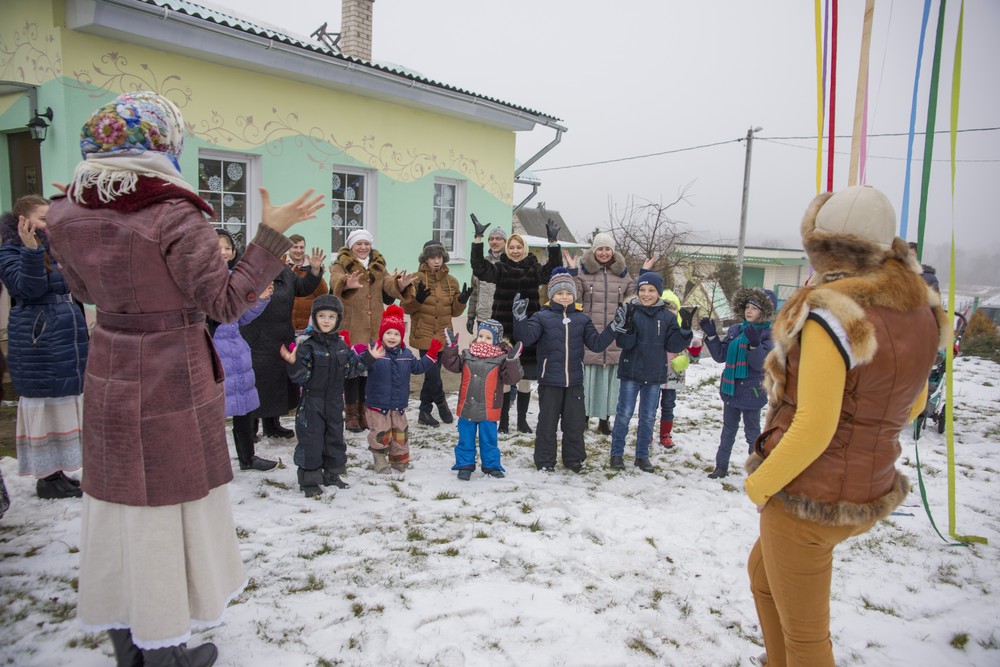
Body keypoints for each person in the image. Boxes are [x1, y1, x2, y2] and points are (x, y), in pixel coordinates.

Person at [45, 90, 324, 665]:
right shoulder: (173, 213)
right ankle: (165, 650)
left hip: (109, 367)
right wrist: (269, 237)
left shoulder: (64, 213)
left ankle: (129, 645)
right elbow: (224, 301)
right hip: (170, 372)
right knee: (163, 513)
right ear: (162, 145)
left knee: (119, 508)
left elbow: (81, 292)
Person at [744, 185, 943, 667]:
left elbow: (815, 424)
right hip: (867, 483)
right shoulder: (922, 310)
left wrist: (760, 484)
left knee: (808, 639)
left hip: (809, 494)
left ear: (820, 243)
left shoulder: (832, 312)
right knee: (763, 577)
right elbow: (914, 403)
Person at [0, 195, 89, 499]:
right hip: (39, 337)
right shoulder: (11, 250)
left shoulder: (56, 247)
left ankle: (59, 472)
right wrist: (30, 250)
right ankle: (47, 478)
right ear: (22, 221)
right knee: (46, 404)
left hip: (65, 332)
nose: (48, 223)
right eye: (41, 218)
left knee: (63, 404)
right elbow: (27, 288)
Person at [512, 268, 619, 472]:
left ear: (574, 296)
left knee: (574, 424)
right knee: (547, 424)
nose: (564, 297)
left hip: (575, 383)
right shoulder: (542, 317)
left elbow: (596, 344)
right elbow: (525, 338)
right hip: (550, 381)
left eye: (568, 293)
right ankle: (545, 461)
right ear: (552, 294)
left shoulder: (582, 319)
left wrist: (614, 327)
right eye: (560, 293)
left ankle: (574, 459)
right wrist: (519, 319)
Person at [281, 294, 381, 496]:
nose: (326, 320)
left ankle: (332, 474)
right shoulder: (307, 346)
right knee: (312, 441)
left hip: (335, 402)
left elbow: (352, 369)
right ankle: (309, 480)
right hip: (312, 403)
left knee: (334, 439)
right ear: (314, 318)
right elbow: (301, 377)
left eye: (331, 317)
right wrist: (293, 365)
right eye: (321, 316)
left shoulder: (342, 347)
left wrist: (369, 357)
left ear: (338, 320)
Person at [470, 214, 562, 434]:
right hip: (504, 332)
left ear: (524, 248)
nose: (515, 251)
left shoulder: (534, 269)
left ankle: (521, 420)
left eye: (518, 247)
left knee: (524, 379)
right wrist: (478, 238)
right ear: (507, 249)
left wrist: (553, 244)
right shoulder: (500, 269)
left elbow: (554, 269)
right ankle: (502, 421)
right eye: (511, 247)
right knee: (504, 377)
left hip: (529, 330)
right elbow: (479, 267)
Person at [329, 229, 416, 432]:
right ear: (351, 246)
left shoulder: (378, 264)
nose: (363, 247)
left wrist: (399, 285)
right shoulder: (341, 263)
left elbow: (387, 284)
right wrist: (345, 283)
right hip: (352, 325)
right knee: (352, 371)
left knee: (369, 371)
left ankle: (364, 411)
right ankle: (350, 414)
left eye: (366, 243)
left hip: (374, 326)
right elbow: (335, 280)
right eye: (358, 244)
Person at [564, 233, 648, 435]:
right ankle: (582, 418)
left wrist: (645, 273)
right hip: (589, 335)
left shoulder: (622, 275)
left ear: (613, 251)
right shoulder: (583, 273)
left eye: (607, 249)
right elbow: (573, 295)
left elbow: (636, 295)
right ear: (594, 250)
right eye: (600, 249)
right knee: (586, 381)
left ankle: (604, 420)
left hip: (613, 336)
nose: (603, 253)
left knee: (609, 384)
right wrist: (573, 271)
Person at [609, 272, 694, 472]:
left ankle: (642, 456)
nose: (646, 294)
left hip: (655, 375)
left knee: (648, 416)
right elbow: (623, 344)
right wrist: (627, 327)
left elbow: (673, 344)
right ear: (638, 291)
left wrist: (685, 330)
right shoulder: (630, 311)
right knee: (624, 414)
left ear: (659, 292)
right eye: (643, 290)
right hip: (631, 372)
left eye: (651, 290)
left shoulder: (667, 316)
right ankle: (616, 454)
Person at [240, 244, 325, 442]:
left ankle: (273, 425)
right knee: (257, 383)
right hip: (257, 337)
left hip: (281, 337)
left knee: (277, 383)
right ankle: (251, 428)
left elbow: (302, 288)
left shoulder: (285, 271)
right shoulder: (249, 274)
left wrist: (313, 271)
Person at [210, 229, 277, 471]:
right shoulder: (200, 281)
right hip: (212, 351)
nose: (224, 252)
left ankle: (248, 458)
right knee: (213, 410)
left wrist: (259, 300)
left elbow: (241, 318)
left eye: (227, 247)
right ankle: (213, 462)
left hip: (237, 349)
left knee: (243, 407)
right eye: (217, 247)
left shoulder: (234, 279)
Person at [699, 287, 775, 479]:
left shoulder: (768, 335)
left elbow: (760, 365)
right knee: (728, 431)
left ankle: (756, 473)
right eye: (748, 307)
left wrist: (755, 344)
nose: (749, 311)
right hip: (731, 389)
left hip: (752, 392)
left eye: (755, 308)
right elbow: (720, 356)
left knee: (753, 435)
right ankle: (721, 467)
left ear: (764, 312)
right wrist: (712, 335)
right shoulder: (736, 329)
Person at [361, 305, 441, 473]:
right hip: (377, 404)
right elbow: (359, 366)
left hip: (399, 404)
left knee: (400, 433)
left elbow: (418, 368)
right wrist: (366, 356)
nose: (392, 337)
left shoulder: (406, 354)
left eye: (396, 333)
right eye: (388, 333)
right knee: (380, 432)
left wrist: (431, 354)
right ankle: (380, 459)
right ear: (382, 334)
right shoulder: (375, 352)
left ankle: (399, 460)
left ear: (401, 336)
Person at [440, 319, 522, 480]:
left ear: (497, 340)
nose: (483, 340)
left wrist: (512, 361)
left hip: (488, 409)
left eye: (488, 337)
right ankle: (465, 465)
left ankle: (491, 466)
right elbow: (452, 365)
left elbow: (512, 378)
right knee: (465, 440)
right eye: (481, 336)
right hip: (467, 407)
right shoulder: (467, 354)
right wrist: (451, 349)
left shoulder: (502, 359)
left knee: (489, 440)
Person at [402, 239, 471, 427]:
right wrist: (417, 299)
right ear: (425, 259)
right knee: (433, 374)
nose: (436, 260)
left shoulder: (452, 282)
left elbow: (455, 312)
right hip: (424, 334)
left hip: (443, 334)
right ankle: (441, 404)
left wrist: (462, 301)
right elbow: (406, 309)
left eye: (439, 256)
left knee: (432, 375)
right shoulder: (415, 279)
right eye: (432, 257)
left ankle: (424, 411)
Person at [658, 289, 692, 448]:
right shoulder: (657, 326)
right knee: (650, 404)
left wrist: (686, 358)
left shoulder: (681, 328)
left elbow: (692, 351)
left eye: (673, 308)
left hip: (673, 374)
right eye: (666, 308)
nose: (670, 312)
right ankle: (646, 433)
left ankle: (665, 433)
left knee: (669, 403)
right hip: (655, 372)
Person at [465, 227, 507, 334]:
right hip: (483, 318)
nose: (494, 242)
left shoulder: (510, 263)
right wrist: (470, 317)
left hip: (504, 318)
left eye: (498, 238)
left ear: (505, 241)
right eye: (491, 239)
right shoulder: (482, 263)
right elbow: (474, 292)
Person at [285, 233, 329, 333]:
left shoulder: (312, 266)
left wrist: (316, 273)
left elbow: (323, 294)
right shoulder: (282, 265)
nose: (299, 251)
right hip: (286, 327)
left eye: (301, 247)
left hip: (308, 327)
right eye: (295, 247)